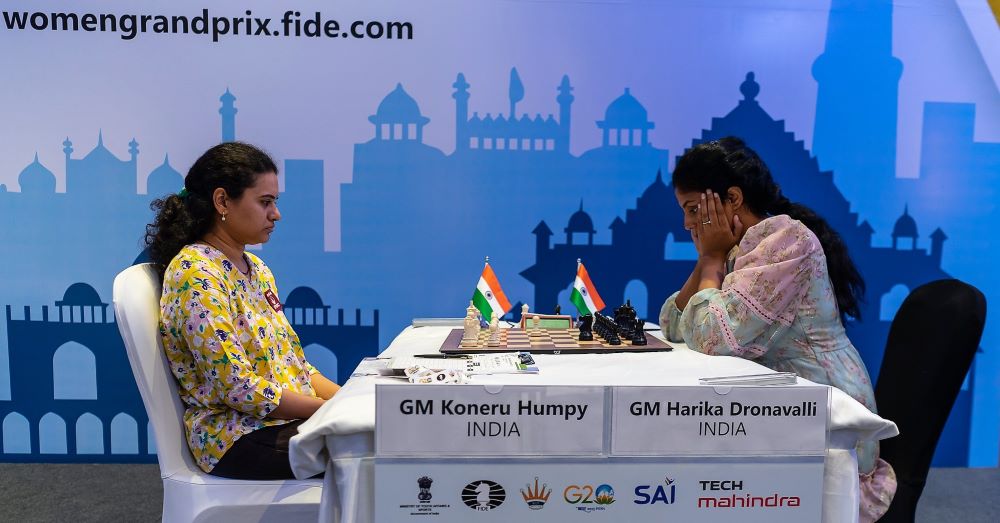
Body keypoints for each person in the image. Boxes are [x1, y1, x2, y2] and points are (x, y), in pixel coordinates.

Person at [659, 137, 896, 521]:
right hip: (778, 410)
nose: (687, 223)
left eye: (692, 209)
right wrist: (708, 260)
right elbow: (673, 323)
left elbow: (711, 338)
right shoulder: (741, 248)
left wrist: (712, 259)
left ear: (732, 198)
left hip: (827, 418)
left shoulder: (784, 242)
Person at [145, 142, 339, 479]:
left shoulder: (257, 269)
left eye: (274, 202)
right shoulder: (196, 274)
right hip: (236, 437)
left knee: (381, 432)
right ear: (222, 201)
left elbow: (295, 364)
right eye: (265, 202)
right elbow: (238, 388)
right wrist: (330, 412)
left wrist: (352, 402)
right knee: (369, 446)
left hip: (283, 421)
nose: (275, 214)